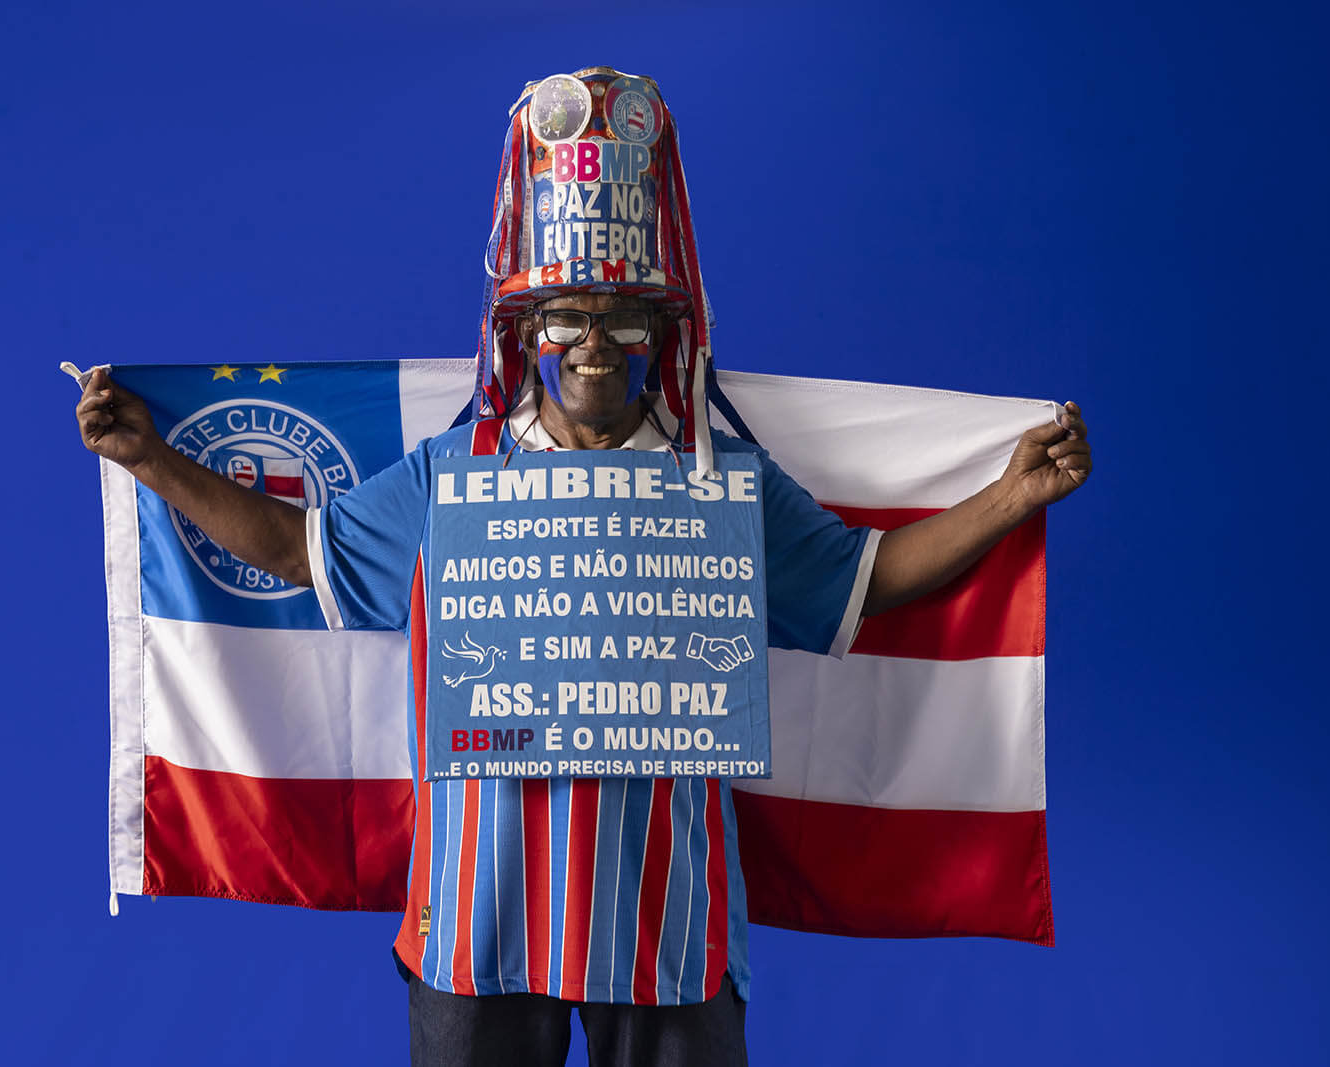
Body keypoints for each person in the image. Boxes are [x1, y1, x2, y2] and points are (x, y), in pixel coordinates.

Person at [75, 68, 1091, 1067]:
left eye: (625, 316)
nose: (595, 341)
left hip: (667, 910)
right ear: (525, 333)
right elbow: (302, 549)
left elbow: (864, 579)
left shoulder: (717, 479)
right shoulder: (453, 473)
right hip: (476, 914)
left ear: (662, 335)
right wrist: (149, 458)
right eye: (567, 314)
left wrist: (1011, 496)